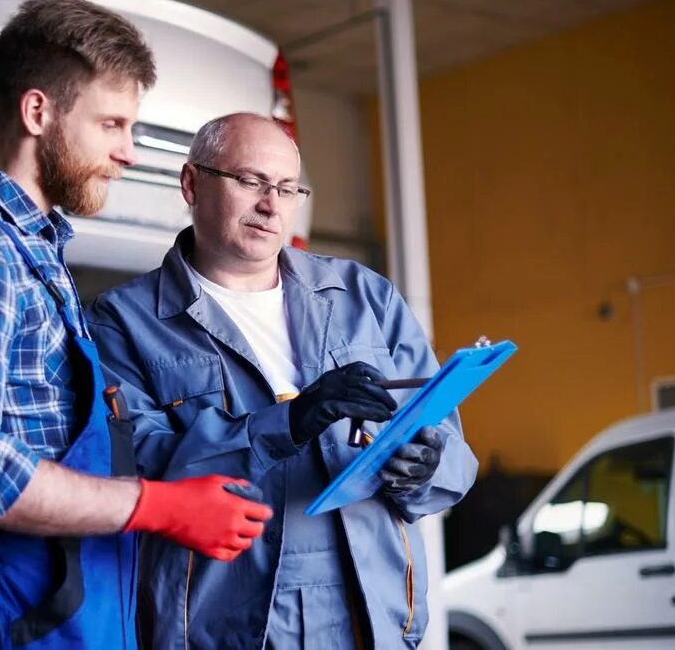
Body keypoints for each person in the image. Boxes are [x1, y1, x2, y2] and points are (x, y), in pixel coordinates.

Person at [0, 0, 272, 650]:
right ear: (38, 111)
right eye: (113, 124)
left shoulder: (37, 252)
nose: (128, 152)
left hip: (74, 616)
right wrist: (161, 506)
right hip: (14, 624)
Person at [86, 112, 478, 649]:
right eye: (250, 182)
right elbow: (138, 471)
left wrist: (427, 467)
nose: (271, 204)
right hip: (222, 626)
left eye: (288, 188)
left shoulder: (364, 297)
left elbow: (455, 456)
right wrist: (287, 422)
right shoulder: (126, 322)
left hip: (374, 620)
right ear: (191, 183)